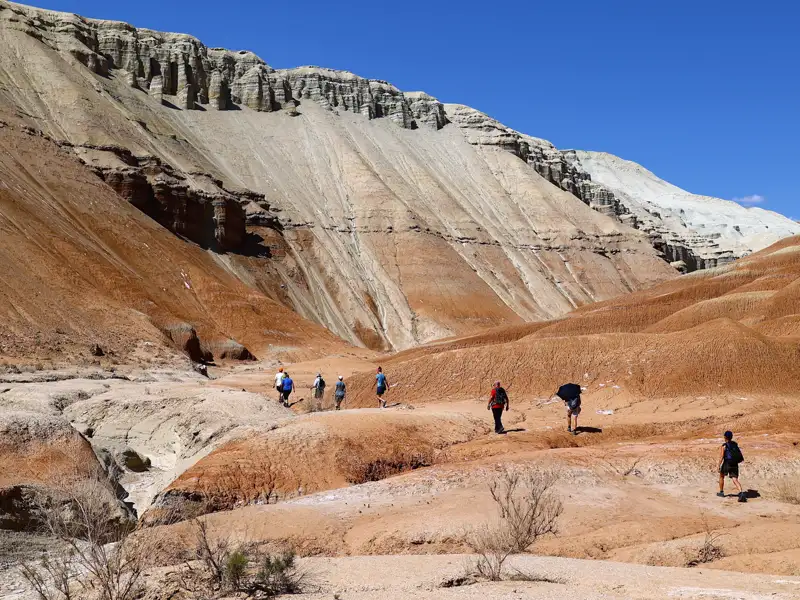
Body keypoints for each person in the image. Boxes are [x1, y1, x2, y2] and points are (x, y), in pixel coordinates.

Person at [718, 431, 746, 502]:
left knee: (721, 476)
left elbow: (721, 457)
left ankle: (721, 492)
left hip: (727, 463)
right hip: (735, 463)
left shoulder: (724, 446)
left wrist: (718, 465)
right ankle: (741, 493)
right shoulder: (735, 444)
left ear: (725, 437)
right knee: (735, 479)